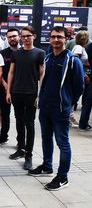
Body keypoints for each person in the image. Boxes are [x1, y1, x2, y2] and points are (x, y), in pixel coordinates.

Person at [29, 26, 84, 191]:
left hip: (61, 109)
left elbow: (79, 86)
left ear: (66, 39)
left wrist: (68, 103)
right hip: (45, 107)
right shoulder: (48, 57)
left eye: (59, 37)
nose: (56, 40)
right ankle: (47, 166)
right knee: (46, 138)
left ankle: (62, 177)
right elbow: (44, 81)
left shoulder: (73, 60)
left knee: (62, 142)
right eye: (53, 37)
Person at [6, 26, 45, 170]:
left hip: (31, 94)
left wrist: (39, 95)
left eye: (28, 36)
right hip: (17, 92)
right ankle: (21, 148)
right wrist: (9, 91)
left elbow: (42, 75)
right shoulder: (16, 54)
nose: (25, 38)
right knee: (19, 121)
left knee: (30, 124)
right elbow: (11, 73)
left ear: (34, 36)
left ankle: (29, 154)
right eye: (23, 36)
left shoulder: (40, 53)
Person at [0, 28, 20, 147]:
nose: (12, 39)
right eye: (9, 37)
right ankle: (3, 136)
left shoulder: (24, 52)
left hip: (19, 90)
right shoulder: (2, 54)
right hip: (4, 89)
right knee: (4, 113)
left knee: (19, 117)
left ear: (19, 36)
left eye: (14, 36)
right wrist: (4, 84)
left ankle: (21, 141)